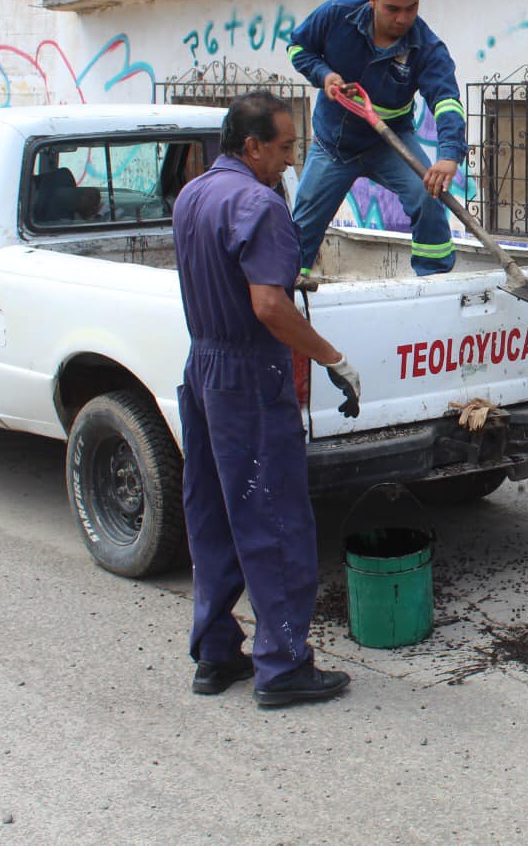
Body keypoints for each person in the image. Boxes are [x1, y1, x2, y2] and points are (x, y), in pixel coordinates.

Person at [172, 91, 362, 708]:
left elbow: (234, 278)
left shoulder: (194, 194)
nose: (289, 160)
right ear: (252, 146)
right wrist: (332, 357)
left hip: (202, 364)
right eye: (283, 148)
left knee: (213, 515)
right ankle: (282, 667)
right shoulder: (260, 203)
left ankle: (216, 652)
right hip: (249, 376)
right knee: (274, 518)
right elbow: (268, 305)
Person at [287, 0, 465, 283]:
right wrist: (323, 74)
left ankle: (434, 282)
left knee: (427, 196)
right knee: (302, 223)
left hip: (390, 143)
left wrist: (449, 155)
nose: (403, 18)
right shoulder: (336, 15)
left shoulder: (427, 47)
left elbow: (447, 101)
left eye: (411, 8)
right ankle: (288, 286)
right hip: (333, 145)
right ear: (373, 0)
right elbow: (298, 49)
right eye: (392, 9)